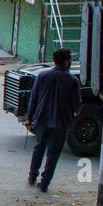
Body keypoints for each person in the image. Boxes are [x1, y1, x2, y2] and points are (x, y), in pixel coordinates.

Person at [24, 48, 82, 193]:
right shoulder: (72, 80)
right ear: (67, 62)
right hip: (61, 123)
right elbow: (77, 105)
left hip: (41, 120)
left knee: (39, 147)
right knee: (53, 153)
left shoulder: (42, 75)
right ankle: (44, 183)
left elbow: (34, 99)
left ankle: (32, 176)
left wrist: (29, 118)